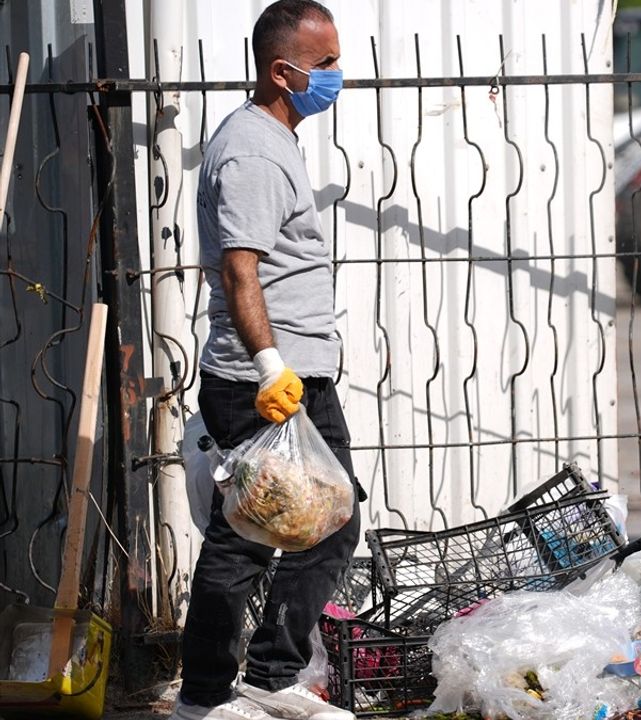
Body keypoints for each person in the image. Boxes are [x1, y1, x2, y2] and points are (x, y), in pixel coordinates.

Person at [173, 2, 363, 719]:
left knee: (332, 522)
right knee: (245, 540)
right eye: (327, 64)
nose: (336, 76)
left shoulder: (275, 138)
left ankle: (270, 676)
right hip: (264, 381)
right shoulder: (252, 150)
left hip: (298, 375)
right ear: (283, 72)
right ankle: (204, 698)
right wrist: (268, 367)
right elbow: (240, 272)